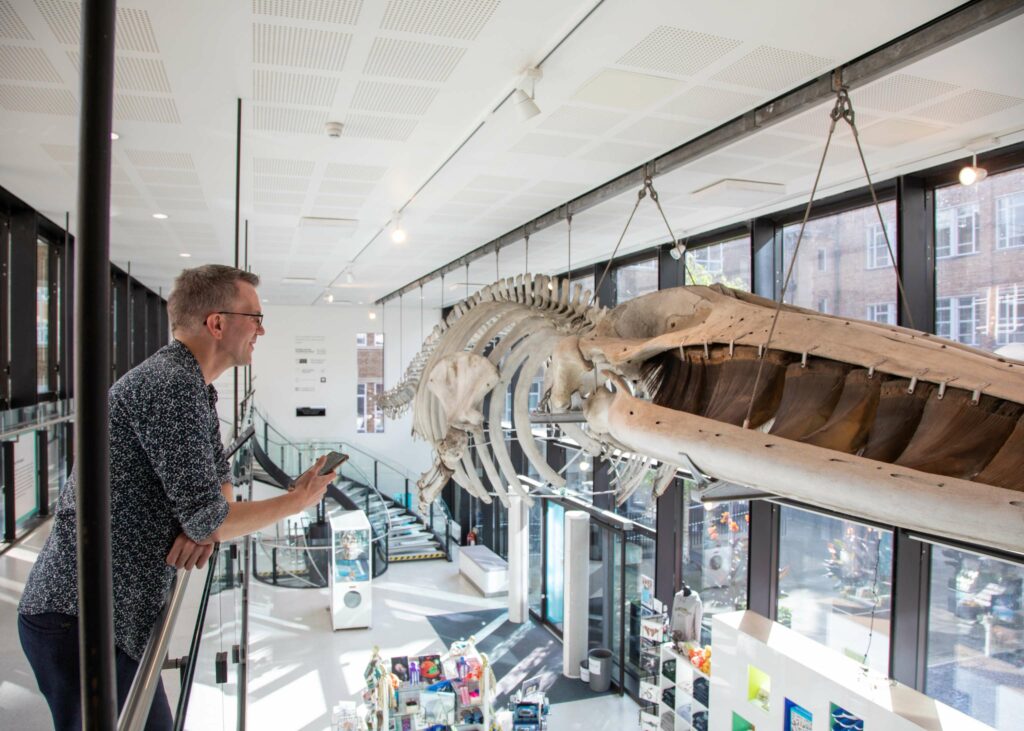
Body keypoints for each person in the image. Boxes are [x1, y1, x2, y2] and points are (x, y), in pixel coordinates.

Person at [18, 264, 335, 730]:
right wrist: (295, 501)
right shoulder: (170, 386)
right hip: (79, 618)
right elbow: (213, 516)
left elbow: (218, 491)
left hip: (107, 618)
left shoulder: (193, 388)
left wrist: (205, 523)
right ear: (217, 323)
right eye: (255, 317)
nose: (262, 330)